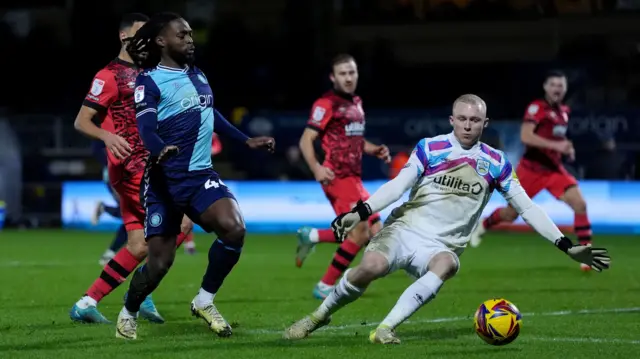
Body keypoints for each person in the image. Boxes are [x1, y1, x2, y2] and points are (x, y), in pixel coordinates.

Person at [283, 94, 610, 344]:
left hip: (441, 245)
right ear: (452, 120)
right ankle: (318, 317)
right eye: (463, 118)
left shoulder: (496, 163)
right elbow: (398, 186)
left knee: (447, 264)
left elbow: (528, 208)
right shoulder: (430, 148)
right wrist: (359, 212)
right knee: (372, 268)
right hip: (405, 230)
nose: (468, 125)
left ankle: (385, 329)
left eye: (475, 120)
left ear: (485, 123)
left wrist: (567, 247)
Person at [115, 13, 275, 340]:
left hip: (200, 176)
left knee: (234, 229)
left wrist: (244, 139)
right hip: (165, 183)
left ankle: (204, 300)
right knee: (159, 264)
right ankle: (129, 310)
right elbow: (145, 127)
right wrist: (158, 147)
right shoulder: (149, 80)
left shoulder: (197, 74)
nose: (190, 39)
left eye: (191, 34)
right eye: (182, 34)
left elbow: (209, 111)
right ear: (162, 41)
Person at [70, 13, 194, 324]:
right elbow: (81, 120)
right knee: (181, 224)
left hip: (150, 165)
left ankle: (89, 302)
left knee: (139, 245)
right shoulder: (109, 75)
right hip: (131, 167)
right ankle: (137, 292)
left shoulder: (153, 72)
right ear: (125, 37)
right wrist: (107, 136)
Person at [470, 71, 595, 271]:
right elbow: (526, 137)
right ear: (545, 87)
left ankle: (586, 254)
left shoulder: (564, 111)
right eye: (553, 84)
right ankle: (484, 225)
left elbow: (555, 141)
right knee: (510, 215)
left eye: (560, 85)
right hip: (531, 170)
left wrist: (566, 148)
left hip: (554, 170)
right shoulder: (537, 108)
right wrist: (557, 147)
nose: (557, 89)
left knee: (580, 204)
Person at [295, 54, 391, 299]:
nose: (348, 78)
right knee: (358, 233)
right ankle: (325, 285)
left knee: (377, 232)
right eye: (343, 73)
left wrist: (373, 149)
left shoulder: (356, 102)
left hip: (354, 178)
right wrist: (316, 168)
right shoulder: (325, 104)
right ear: (333, 77)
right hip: (336, 177)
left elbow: (353, 139)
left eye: (352, 72)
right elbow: (306, 139)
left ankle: (313, 235)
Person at [90, 140, 128, 265]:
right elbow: (96, 148)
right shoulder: (111, 128)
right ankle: (110, 252)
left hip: (126, 175)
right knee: (132, 215)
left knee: (132, 215)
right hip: (118, 176)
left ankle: (111, 252)